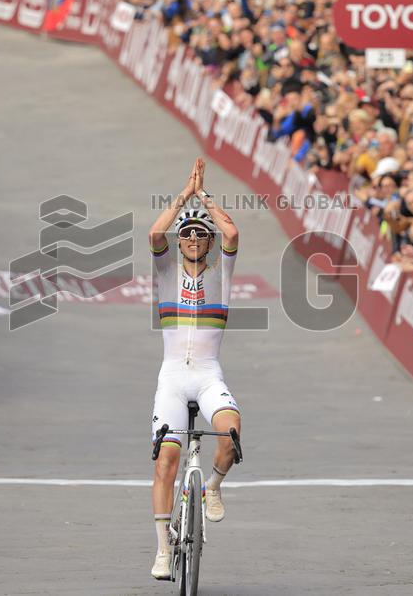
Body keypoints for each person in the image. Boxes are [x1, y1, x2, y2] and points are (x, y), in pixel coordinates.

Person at [147, 158, 241, 581]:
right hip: (171, 377)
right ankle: (164, 550)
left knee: (231, 431)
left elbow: (233, 233)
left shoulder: (221, 276)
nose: (192, 239)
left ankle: (213, 486)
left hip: (206, 375)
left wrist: (205, 199)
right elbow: (154, 233)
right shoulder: (165, 273)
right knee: (167, 460)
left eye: (201, 235)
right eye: (186, 234)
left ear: (208, 242)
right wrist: (184, 196)